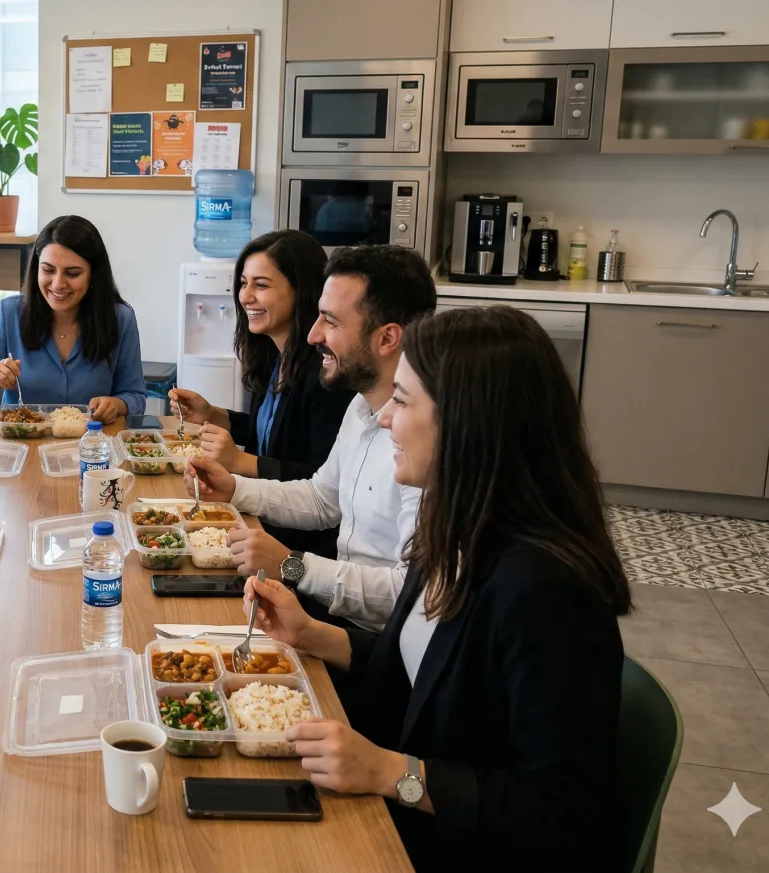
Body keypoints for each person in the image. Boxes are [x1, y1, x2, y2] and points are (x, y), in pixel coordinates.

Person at [243, 305, 631, 873]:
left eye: (401, 401)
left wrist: (389, 773)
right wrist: (312, 634)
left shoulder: (547, 593)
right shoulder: (453, 531)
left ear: (465, 422)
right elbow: (423, 671)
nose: (383, 421)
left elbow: (558, 812)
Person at [185, 245, 435, 631]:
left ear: (387, 339)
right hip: (331, 615)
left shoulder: (427, 443)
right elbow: (322, 498)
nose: (314, 334)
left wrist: (292, 565)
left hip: (377, 645)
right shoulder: (360, 406)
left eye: (331, 322)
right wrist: (233, 488)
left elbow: (408, 596)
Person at [167, 230, 354, 559]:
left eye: (261, 285)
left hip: (295, 549)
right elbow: (272, 431)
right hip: (257, 523)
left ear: (302, 291)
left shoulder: (326, 373)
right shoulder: (273, 353)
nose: (245, 296)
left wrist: (241, 462)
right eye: (243, 283)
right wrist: (214, 415)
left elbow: (322, 483)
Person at [0, 215, 145, 424]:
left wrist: (114, 405)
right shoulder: (8, 313)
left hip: (92, 445)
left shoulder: (120, 318)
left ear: (93, 274)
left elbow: (135, 396)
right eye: (48, 270)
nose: (57, 284)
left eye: (72, 273)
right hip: (22, 444)